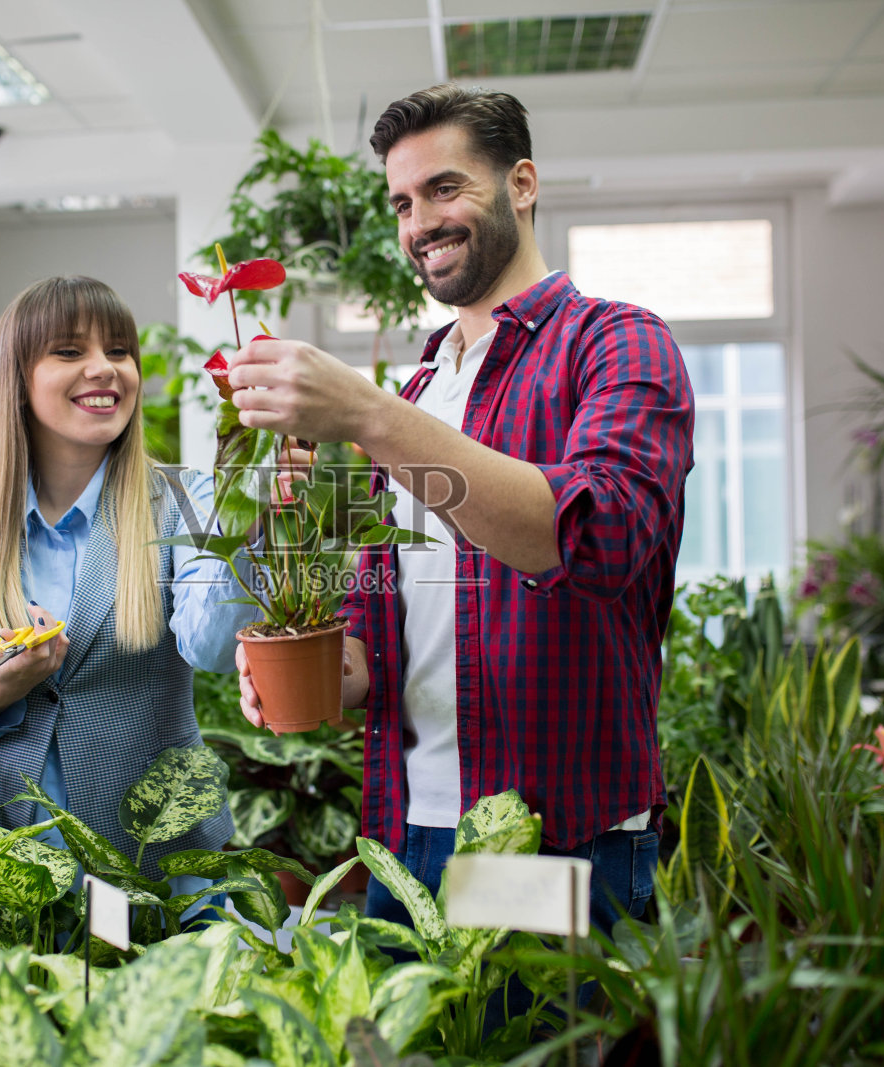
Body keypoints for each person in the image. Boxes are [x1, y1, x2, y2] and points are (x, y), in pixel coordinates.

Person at [228, 85, 695, 938]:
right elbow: (378, 626)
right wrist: (307, 670)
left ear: (521, 184)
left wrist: (370, 414)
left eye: (446, 189)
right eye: (402, 203)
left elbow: (596, 538)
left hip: (558, 838)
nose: (419, 223)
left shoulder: (616, 343)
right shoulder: (420, 390)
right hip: (409, 834)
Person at [0, 275, 257, 887]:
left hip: (157, 862)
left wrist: (245, 509)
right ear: (19, 377)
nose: (105, 369)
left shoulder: (185, 499)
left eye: (119, 351)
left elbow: (216, 647)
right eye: (70, 352)